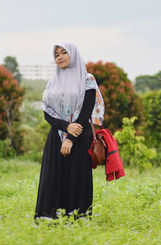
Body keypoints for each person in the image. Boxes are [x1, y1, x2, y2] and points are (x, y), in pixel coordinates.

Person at [34, 42, 104, 220]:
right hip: (56, 135)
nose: (60, 57)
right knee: (52, 177)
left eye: (64, 52)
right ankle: (48, 218)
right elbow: (47, 112)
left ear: (73, 55)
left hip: (80, 137)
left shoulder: (87, 80)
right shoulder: (52, 83)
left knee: (76, 177)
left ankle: (78, 218)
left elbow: (86, 111)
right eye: (56, 54)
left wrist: (71, 138)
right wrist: (65, 127)